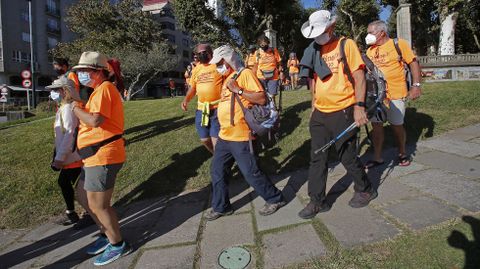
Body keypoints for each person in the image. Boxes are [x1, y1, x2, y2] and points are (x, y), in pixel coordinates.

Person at [297, 10, 377, 219]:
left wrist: (359, 107)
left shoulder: (345, 44)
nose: (318, 36)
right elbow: (314, 79)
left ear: (331, 28)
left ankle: (365, 188)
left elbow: (359, 77)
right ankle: (317, 201)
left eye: (321, 31)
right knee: (317, 158)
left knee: (347, 156)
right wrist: (313, 103)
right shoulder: (313, 49)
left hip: (344, 110)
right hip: (320, 113)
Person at [205, 44, 286, 221]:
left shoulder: (245, 74)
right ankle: (221, 207)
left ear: (228, 60)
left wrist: (239, 90)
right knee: (217, 171)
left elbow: (261, 98)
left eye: (220, 62)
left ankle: (275, 198)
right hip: (225, 136)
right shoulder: (229, 78)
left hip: (241, 136)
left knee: (251, 172)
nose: (218, 66)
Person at [71, 51, 131, 266]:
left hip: (103, 154)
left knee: (98, 204)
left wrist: (74, 108)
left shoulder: (105, 89)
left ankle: (118, 244)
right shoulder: (97, 91)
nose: (80, 75)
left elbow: (95, 121)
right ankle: (106, 234)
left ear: (98, 72)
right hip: (93, 155)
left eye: (83, 71)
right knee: (83, 196)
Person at [364, 20, 422, 168]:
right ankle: (377, 157)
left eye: (371, 32)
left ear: (382, 32)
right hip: (377, 96)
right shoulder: (370, 51)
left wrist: (416, 85)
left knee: (397, 125)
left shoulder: (398, 44)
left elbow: (413, 63)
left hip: (396, 93)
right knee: (376, 127)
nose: (368, 36)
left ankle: (402, 153)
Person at [47, 76, 85, 226]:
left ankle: (80, 213)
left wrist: (60, 157)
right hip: (70, 155)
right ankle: (74, 213)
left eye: (56, 90)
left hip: (72, 156)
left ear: (64, 91)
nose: (53, 93)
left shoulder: (68, 108)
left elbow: (70, 133)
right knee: (69, 183)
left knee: (70, 183)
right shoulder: (65, 107)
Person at [181, 43, 222, 154]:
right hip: (202, 109)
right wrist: (186, 99)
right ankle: (216, 156)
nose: (202, 55)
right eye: (199, 53)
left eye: (204, 52)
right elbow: (193, 88)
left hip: (217, 109)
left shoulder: (218, 65)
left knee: (216, 139)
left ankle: (220, 160)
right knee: (204, 139)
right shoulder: (196, 69)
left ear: (211, 53)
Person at [253, 35, 282, 104]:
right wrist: (253, 77)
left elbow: (279, 63)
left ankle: (273, 110)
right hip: (261, 77)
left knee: (272, 95)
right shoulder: (257, 53)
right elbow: (255, 66)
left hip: (273, 76)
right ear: (259, 44)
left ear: (268, 43)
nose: (263, 45)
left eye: (265, 43)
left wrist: (281, 72)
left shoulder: (274, 51)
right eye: (261, 44)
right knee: (262, 95)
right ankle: (266, 111)